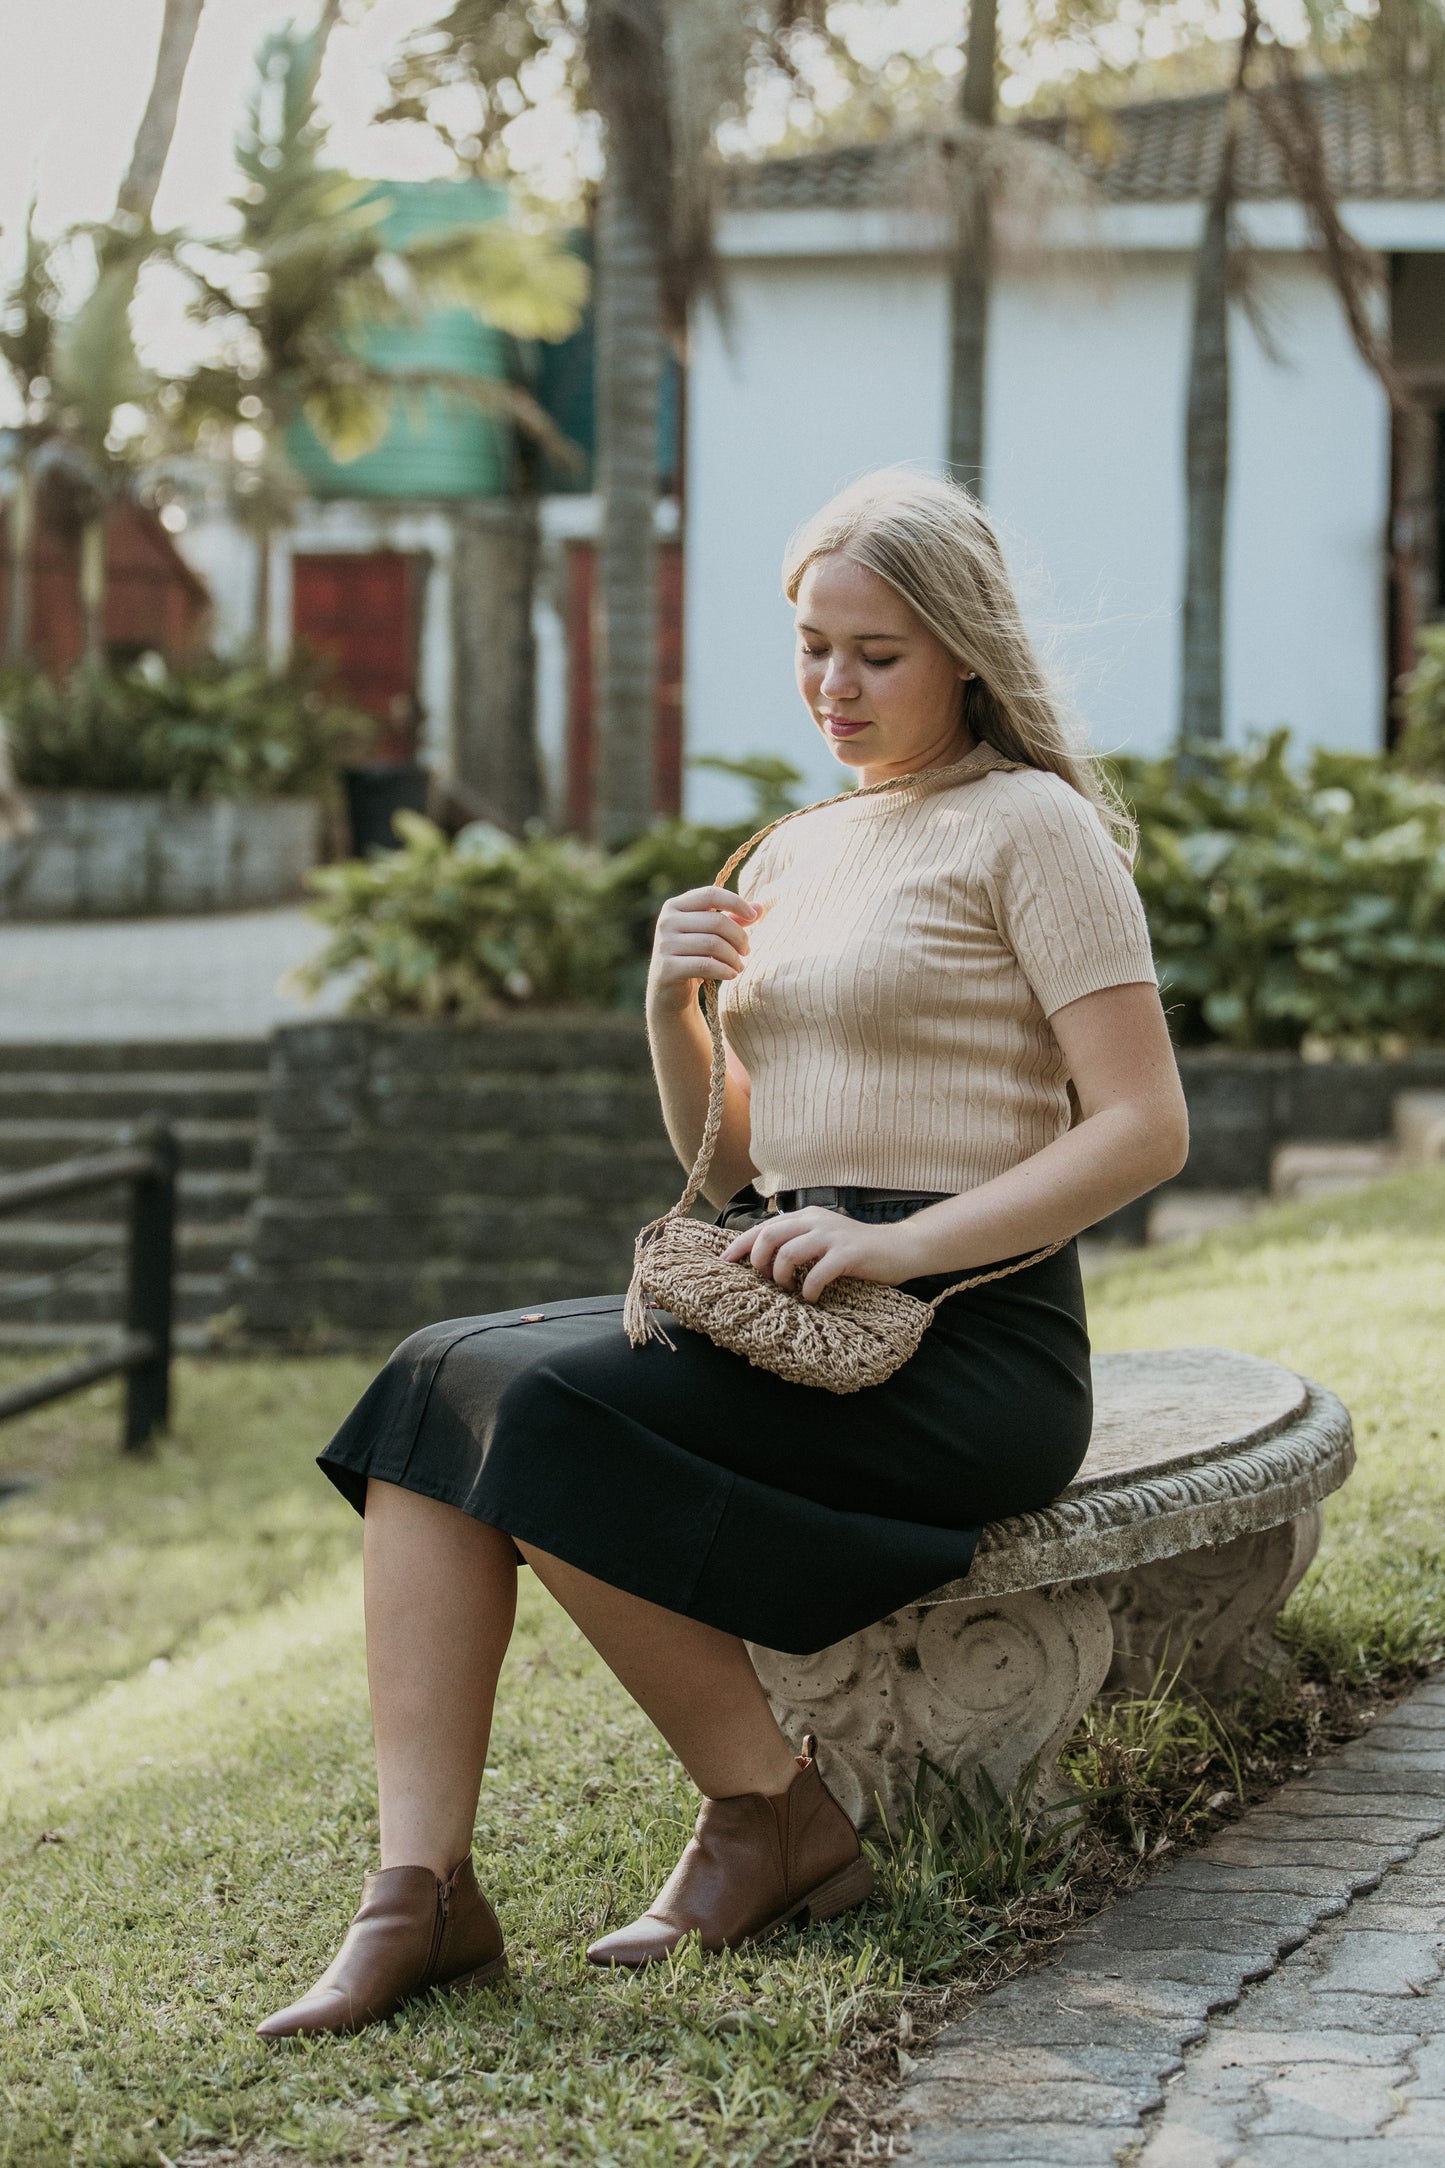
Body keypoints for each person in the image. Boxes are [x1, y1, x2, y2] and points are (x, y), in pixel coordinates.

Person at [256, 467, 1189, 2040]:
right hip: (786, 1280)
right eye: (812, 647)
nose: (832, 685)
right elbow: (736, 1163)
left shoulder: (1034, 829)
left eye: (873, 653)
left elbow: (1143, 1130)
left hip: (968, 1336)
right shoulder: (795, 844)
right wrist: (671, 1012)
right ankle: (419, 1895)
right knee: (433, 1390)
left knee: (542, 1412)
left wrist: (904, 1253)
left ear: (961, 650)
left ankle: (768, 1814)